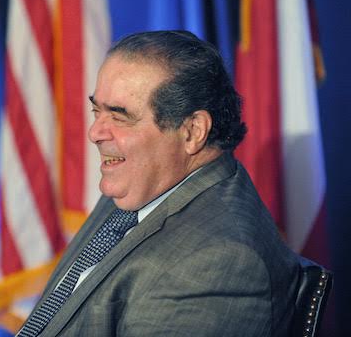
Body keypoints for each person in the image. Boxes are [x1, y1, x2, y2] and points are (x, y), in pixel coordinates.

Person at [16, 30, 299, 337]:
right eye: (97, 111)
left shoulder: (217, 262)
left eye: (120, 117)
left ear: (192, 131)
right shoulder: (136, 189)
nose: (95, 132)